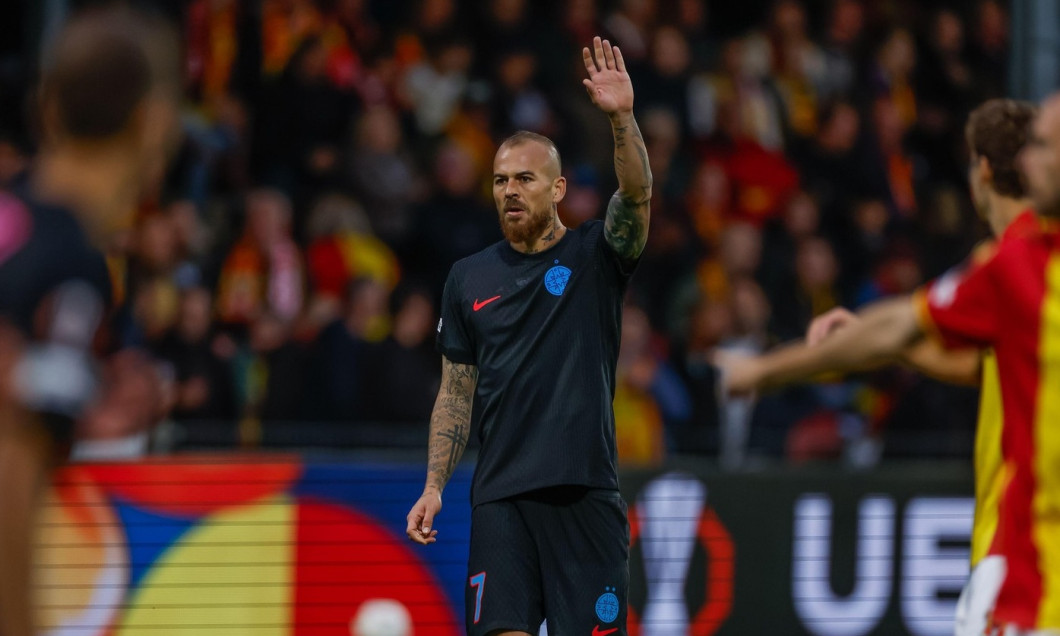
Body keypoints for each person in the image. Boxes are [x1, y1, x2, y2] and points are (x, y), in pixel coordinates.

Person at [717, 95, 1060, 635]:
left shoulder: (1017, 264)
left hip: (1030, 574)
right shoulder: (1018, 271)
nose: (1030, 159)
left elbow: (900, 326)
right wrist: (883, 341)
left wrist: (763, 371)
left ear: (981, 171)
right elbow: (975, 363)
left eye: (1043, 145)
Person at [405, 37, 652, 636]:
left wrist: (622, 118)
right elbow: (456, 392)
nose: (509, 190)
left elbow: (637, 195)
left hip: (583, 493)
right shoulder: (467, 278)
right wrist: (434, 486)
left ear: (557, 188)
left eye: (524, 179)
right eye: (499, 181)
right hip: (500, 500)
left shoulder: (596, 255)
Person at [0, 7, 179, 635]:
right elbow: (10, 472)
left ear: (49, 108)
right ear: (154, 122)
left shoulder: (16, 216)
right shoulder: (69, 264)